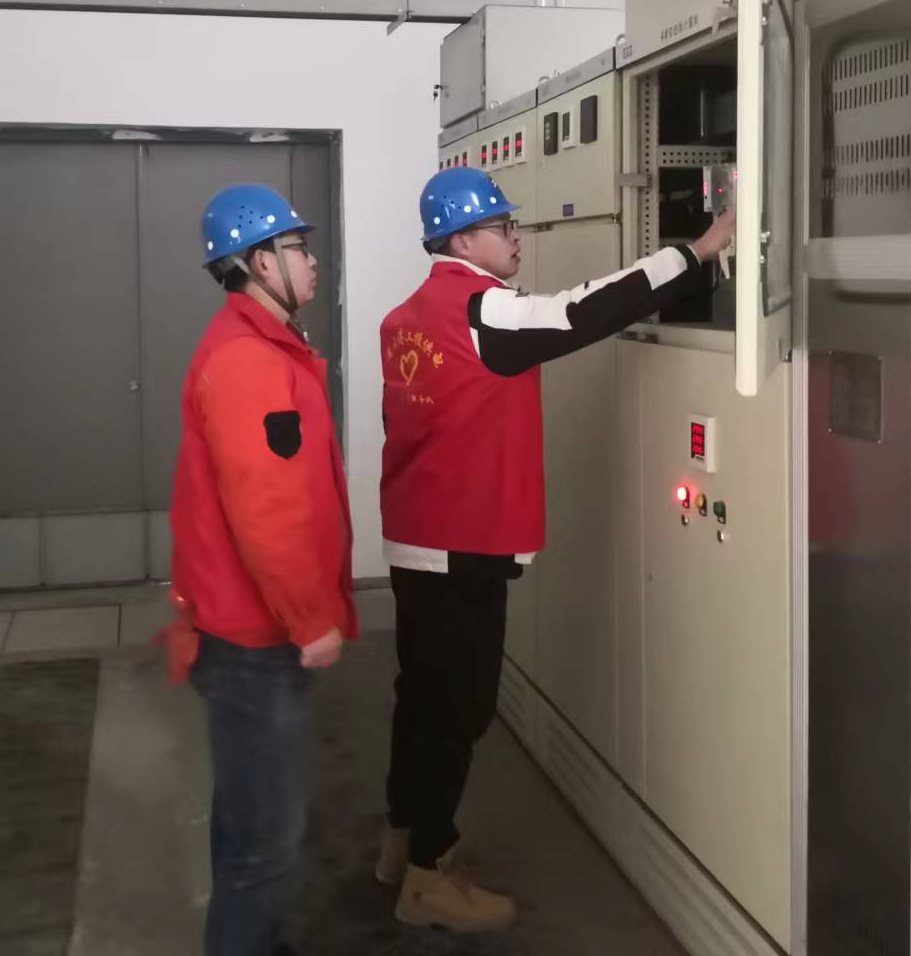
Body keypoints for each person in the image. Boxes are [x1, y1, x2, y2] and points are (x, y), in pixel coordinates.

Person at [375, 166, 736, 932]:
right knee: (458, 712)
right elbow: (585, 310)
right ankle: (428, 877)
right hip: (463, 545)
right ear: (461, 240)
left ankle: (403, 846)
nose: (517, 238)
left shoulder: (405, 318)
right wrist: (698, 251)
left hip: (415, 541)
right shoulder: (485, 311)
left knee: (422, 697)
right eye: (503, 227)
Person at [163, 184, 359, 956]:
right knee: (265, 844)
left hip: (248, 629)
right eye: (298, 248)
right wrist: (310, 620)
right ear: (258, 262)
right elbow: (267, 513)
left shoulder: (265, 347)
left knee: (251, 822)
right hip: (254, 640)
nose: (312, 261)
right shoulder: (248, 361)